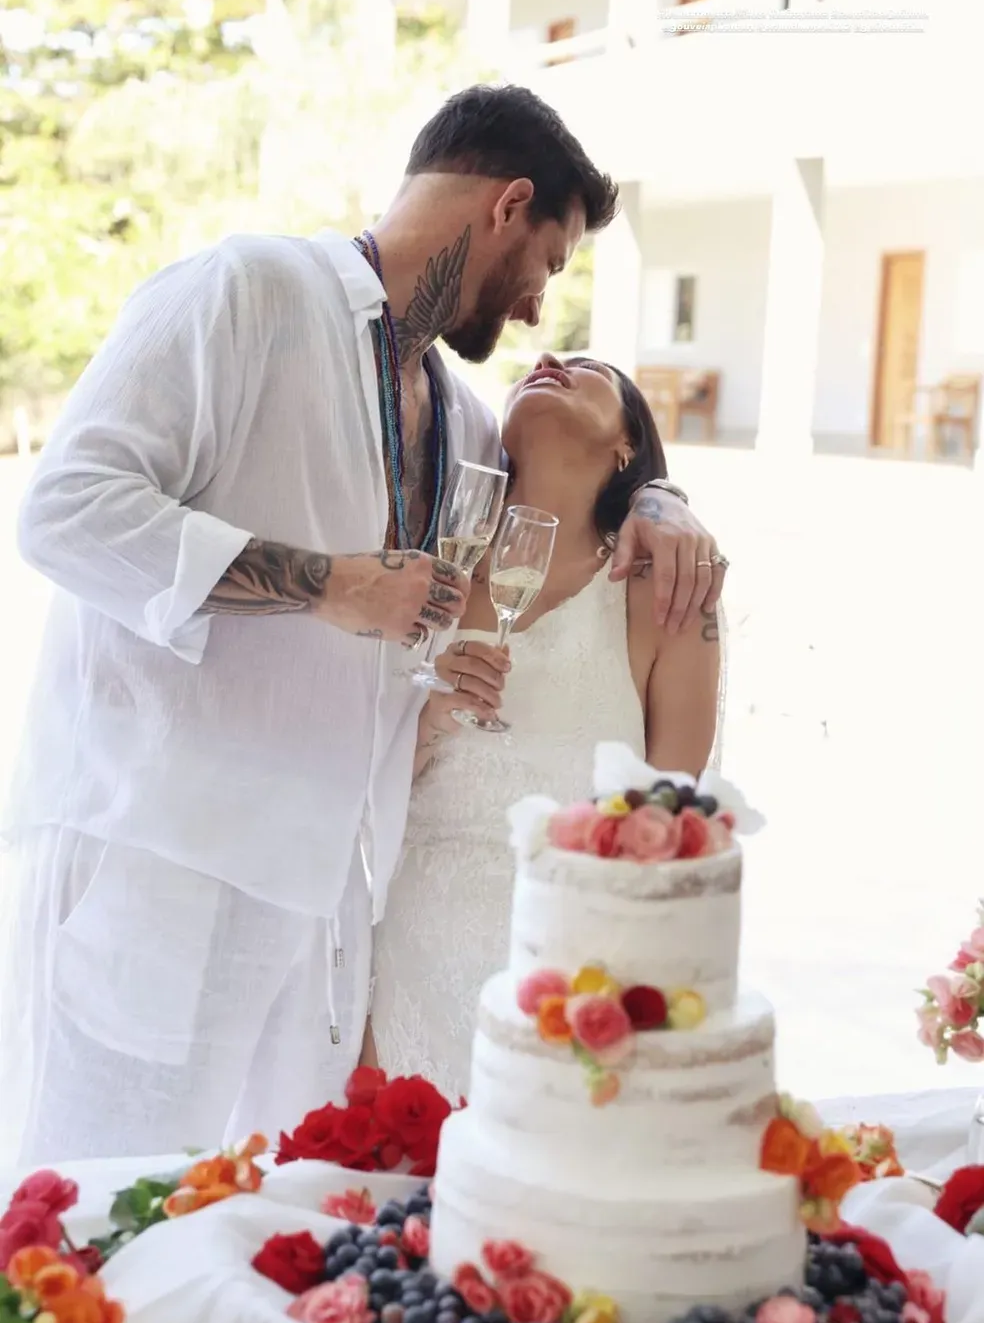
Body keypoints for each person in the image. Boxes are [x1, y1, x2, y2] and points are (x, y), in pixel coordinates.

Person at [0, 84, 727, 1163]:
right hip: (163, 862)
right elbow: (66, 510)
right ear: (508, 205)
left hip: (319, 919)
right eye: (551, 264)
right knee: (95, 1210)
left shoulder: (467, 423)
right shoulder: (245, 290)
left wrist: (667, 505)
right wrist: (324, 583)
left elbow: (582, 501)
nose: (536, 310)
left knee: (250, 1237)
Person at [370, 352, 722, 1100]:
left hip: (573, 985)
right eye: (544, 359)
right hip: (402, 966)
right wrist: (427, 723)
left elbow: (678, 828)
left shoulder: (665, 592)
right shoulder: (426, 564)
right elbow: (348, 784)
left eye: (589, 366)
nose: (550, 358)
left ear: (628, 445)